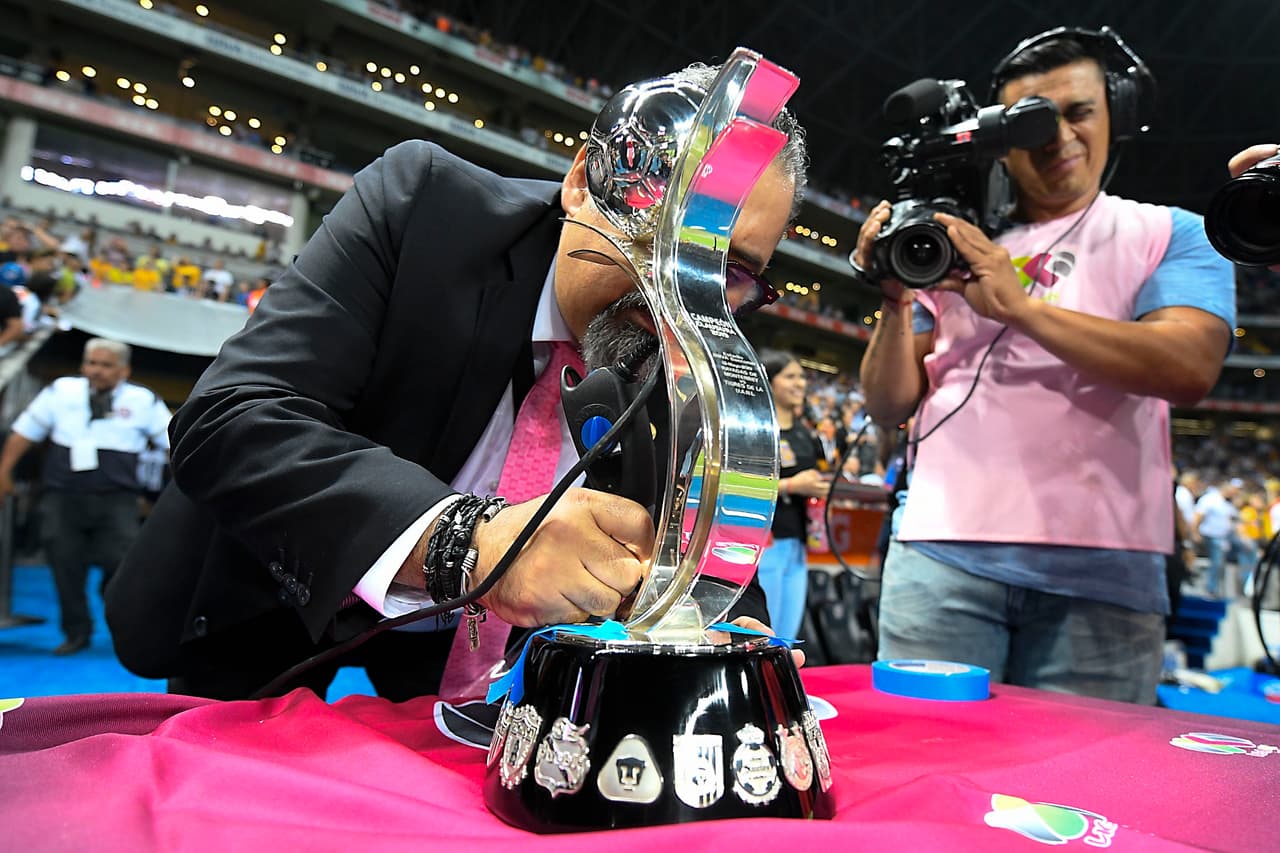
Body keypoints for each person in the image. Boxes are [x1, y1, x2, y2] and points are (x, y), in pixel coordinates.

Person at [105, 63, 808, 702]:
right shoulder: (424, 206)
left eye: (731, 270)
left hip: (464, 673)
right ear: (580, 180)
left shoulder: (695, 348)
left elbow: (695, 532)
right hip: (271, 601)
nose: (680, 298)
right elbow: (233, 417)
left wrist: (730, 628)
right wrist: (473, 545)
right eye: (661, 241)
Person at [856, 29, 1235, 703]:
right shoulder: (950, 241)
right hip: (940, 554)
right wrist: (894, 298)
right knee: (928, 756)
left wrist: (1021, 308)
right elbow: (888, 404)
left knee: (1084, 771)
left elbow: (1188, 366)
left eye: (1079, 111)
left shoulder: (1173, 233)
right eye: (1031, 121)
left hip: (1105, 571)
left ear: (1115, 113)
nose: (1059, 136)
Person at [0, 339, 171, 655]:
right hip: (62, 496)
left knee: (122, 564)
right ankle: (77, 632)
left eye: (106, 365)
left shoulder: (143, 400)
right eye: (92, 363)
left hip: (117, 499)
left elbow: (172, 443)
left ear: (124, 370)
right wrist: (3, 472)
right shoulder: (61, 391)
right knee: (64, 564)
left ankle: (124, 624)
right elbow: (24, 432)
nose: (97, 371)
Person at [757, 350, 829, 639]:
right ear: (770, 381)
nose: (800, 383)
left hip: (798, 542)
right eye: (790, 377)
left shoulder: (804, 434)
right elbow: (739, 484)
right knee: (764, 632)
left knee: (787, 635)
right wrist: (791, 486)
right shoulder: (758, 429)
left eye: (801, 377)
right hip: (766, 542)